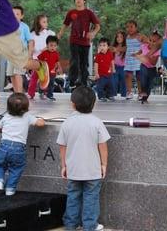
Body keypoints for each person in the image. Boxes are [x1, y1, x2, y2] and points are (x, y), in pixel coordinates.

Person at [57, 86, 110, 231]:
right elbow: (103, 146)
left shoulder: (67, 123)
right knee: (91, 198)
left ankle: (71, 225)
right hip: (93, 170)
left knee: (73, 197)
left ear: (72, 104)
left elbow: (63, 147)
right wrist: (104, 165)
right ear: (94, 104)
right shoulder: (97, 122)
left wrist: (64, 165)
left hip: (73, 169)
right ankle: (89, 225)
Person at [0, 93, 46, 196]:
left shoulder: (6, 117)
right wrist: (42, 119)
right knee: (16, 169)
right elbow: (40, 124)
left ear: (8, 107)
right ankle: (10, 189)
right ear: (26, 108)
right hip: (19, 149)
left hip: (3, 146)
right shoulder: (27, 117)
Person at [58, 0, 101, 89]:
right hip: (74, 41)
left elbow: (97, 26)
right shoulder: (71, 12)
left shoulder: (89, 12)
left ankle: (84, 83)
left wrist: (93, 33)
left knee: (84, 63)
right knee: (74, 61)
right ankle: (72, 81)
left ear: (84, 1)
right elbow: (65, 24)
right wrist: (60, 33)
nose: (78, 0)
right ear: (74, 1)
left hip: (85, 42)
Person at [6, 5, 34, 93]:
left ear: (22, 16)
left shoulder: (24, 27)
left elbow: (30, 41)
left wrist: (29, 55)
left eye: (17, 14)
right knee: (11, 74)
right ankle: (16, 92)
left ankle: (20, 93)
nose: (14, 16)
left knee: (18, 73)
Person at [28, 14, 56, 99]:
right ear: (38, 23)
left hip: (47, 60)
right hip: (37, 60)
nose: (46, 23)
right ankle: (30, 94)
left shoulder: (50, 33)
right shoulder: (32, 34)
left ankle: (44, 92)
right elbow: (31, 48)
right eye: (44, 22)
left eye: (46, 21)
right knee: (34, 78)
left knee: (46, 78)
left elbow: (54, 45)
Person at [136, 31, 162, 104]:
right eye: (150, 40)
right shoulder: (144, 46)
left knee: (149, 84)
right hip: (144, 66)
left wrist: (148, 56)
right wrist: (136, 55)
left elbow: (154, 62)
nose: (151, 43)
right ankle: (143, 93)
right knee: (143, 80)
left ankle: (145, 98)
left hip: (152, 68)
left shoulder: (157, 51)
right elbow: (140, 52)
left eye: (154, 42)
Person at [37, 35, 61, 101]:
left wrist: (59, 69)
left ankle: (50, 95)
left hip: (52, 72)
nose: (53, 47)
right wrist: (40, 69)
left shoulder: (56, 54)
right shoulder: (44, 53)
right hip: (44, 72)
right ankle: (41, 91)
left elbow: (57, 62)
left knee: (51, 83)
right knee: (44, 82)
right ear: (47, 45)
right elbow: (39, 60)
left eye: (55, 46)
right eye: (51, 45)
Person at [124, 20, 142, 99]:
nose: (129, 29)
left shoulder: (140, 36)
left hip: (138, 58)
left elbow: (147, 45)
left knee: (139, 76)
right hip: (129, 58)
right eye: (127, 27)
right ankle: (129, 92)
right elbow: (125, 47)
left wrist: (140, 52)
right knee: (128, 75)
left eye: (131, 27)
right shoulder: (127, 37)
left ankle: (140, 93)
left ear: (136, 27)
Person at [94, 37, 115, 102]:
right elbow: (96, 64)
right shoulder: (98, 55)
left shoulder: (110, 53)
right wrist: (96, 73)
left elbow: (112, 61)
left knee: (111, 85)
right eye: (100, 45)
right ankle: (101, 96)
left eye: (104, 45)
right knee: (100, 86)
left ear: (108, 47)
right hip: (101, 75)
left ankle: (109, 95)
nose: (102, 47)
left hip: (109, 74)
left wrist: (113, 69)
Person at [112, 31, 127, 99]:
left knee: (123, 81)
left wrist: (117, 49)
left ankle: (124, 95)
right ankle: (113, 94)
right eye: (117, 37)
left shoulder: (126, 47)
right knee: (114, 81)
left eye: (121, 37)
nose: (119, 38)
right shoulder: (113, 47)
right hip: (115, 66)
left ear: (124, 38)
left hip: (124, 67)